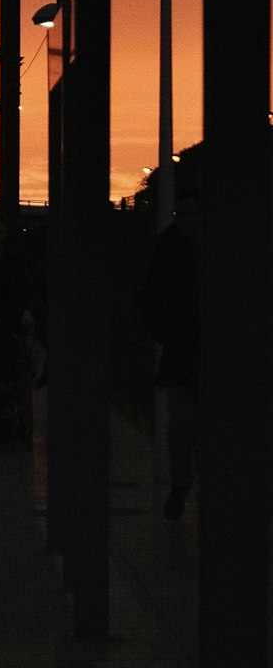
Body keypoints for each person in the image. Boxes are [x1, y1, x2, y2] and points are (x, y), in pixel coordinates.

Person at [137, 182, 201, 519]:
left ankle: (184, 486)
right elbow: (148, 295)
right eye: (181, 215)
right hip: (183, 350)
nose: (185, 222)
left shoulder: (170, 245)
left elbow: (147, 295)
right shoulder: (172, 247)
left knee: (187, 426)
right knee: (183, 427)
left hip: (185, 350)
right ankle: (183, 484)